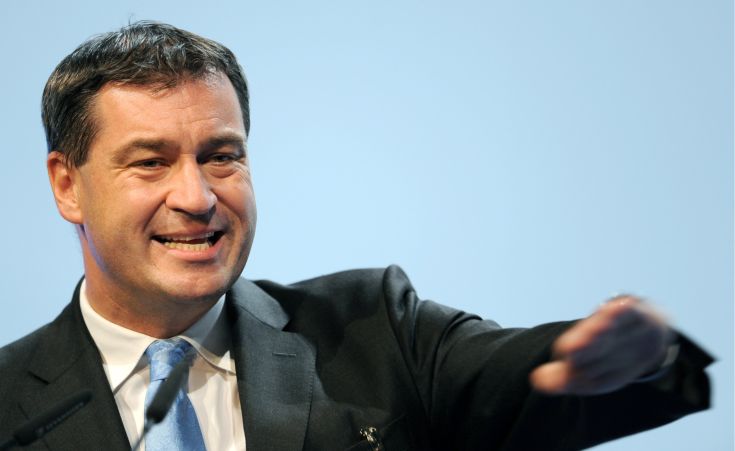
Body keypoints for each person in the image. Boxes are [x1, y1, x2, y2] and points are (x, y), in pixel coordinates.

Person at [0, 21, 712, 451]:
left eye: (221, 156)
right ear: (67, 185)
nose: (197, 197)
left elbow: (520, 375)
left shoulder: (375, 330)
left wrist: (632, 355)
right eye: (150, 162)